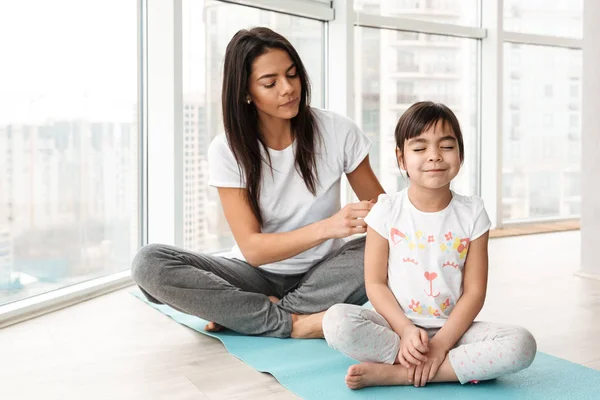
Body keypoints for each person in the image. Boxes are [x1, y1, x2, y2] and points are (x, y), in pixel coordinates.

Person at [131, 27, 385, 338]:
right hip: (254, 274)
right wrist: (330, 227)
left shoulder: (338, 131)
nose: (288, 89)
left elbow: (386, 217)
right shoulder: (227, 149)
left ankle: (246, 313)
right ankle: (293, 322)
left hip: (325, 273)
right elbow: (254, 250)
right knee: (149, 263)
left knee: (388, 245)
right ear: (246, 92)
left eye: (292, 75)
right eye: (270, 83)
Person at [322, 101, 537, 389]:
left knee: (521, 344)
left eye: (446, 147)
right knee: (336, 321)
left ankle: (398, 373)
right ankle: (434, 365)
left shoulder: (473, 213)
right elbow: (375, 284)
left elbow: (474, 292)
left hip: (455, 333)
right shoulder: (385, 210)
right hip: (396, 330)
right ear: (401, 158)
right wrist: (406, 330)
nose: (434, 156)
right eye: (420, 148)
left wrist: (441, 344)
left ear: (461, 153)